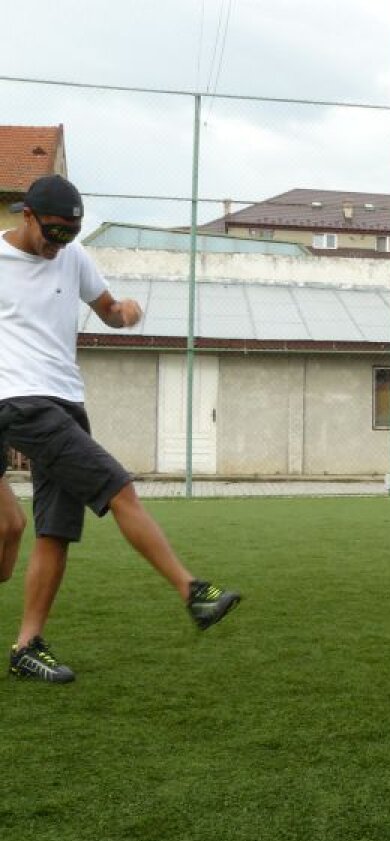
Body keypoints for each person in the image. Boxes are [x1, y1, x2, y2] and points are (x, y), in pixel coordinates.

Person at [0, 175, 241, 683]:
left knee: (52, 531)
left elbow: (105, 309)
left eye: (70, 233)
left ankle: (26, 647)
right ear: (26, 216)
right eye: (53, 232)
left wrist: (123, 312)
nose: (59, 243)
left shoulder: (74, 258)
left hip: (66, 401)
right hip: (20, 402)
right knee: (119, 487)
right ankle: (192, 591)